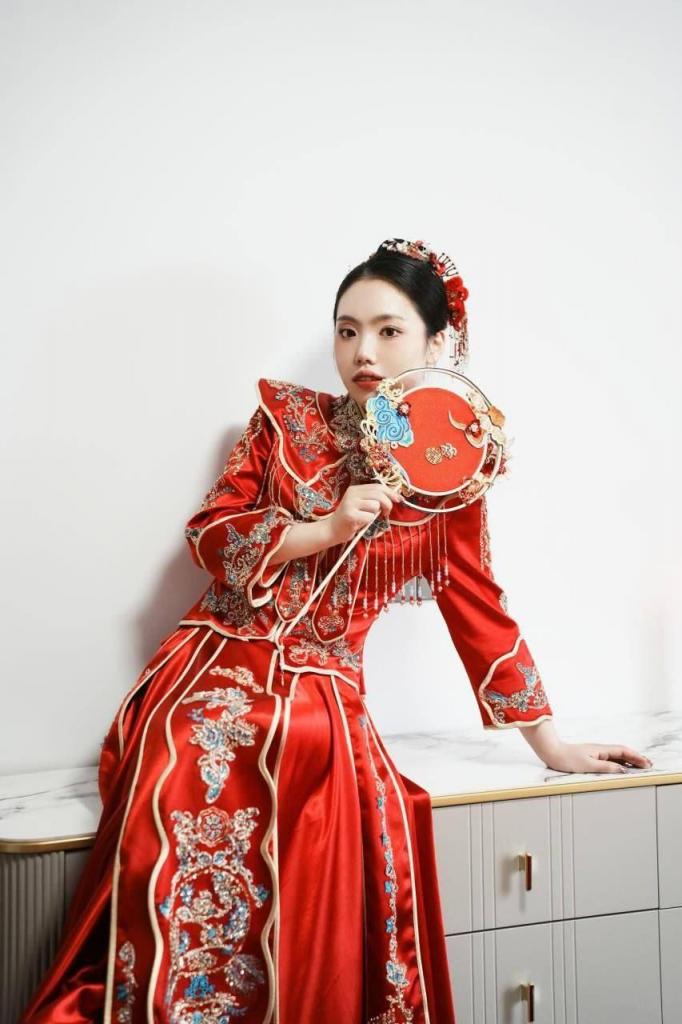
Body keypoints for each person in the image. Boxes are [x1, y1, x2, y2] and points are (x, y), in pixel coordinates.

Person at [20, 238, 652, 1024]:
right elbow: (210, 536)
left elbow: (480, 612)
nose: (363, 352)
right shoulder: (286, 422)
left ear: (437, 342)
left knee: (320, 750)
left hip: (324, 687)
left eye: (388, 331)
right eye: (347, 330)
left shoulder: (448, 474)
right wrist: (321, 529)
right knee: (205, 741)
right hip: (214, 664)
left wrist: (552, 745)